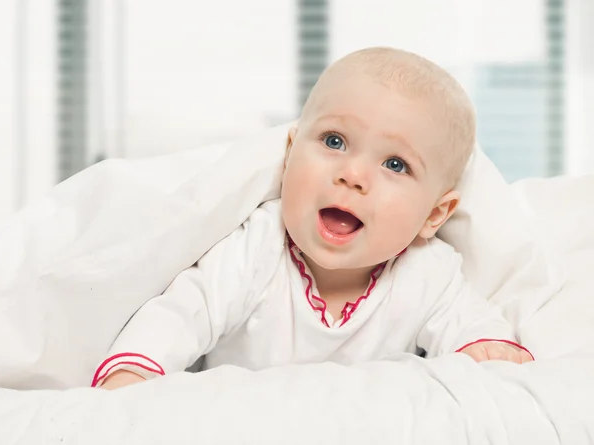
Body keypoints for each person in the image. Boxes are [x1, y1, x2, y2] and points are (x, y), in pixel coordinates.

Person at [92, 47, 533, 390]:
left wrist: (490, 352)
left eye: (395, 164)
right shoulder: (258, 247)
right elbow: (183, 312)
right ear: (288, 154)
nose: (353, 175)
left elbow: (475, 329)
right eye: (335, 140)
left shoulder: (428, 273)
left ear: (433, 215)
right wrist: (135, 374)